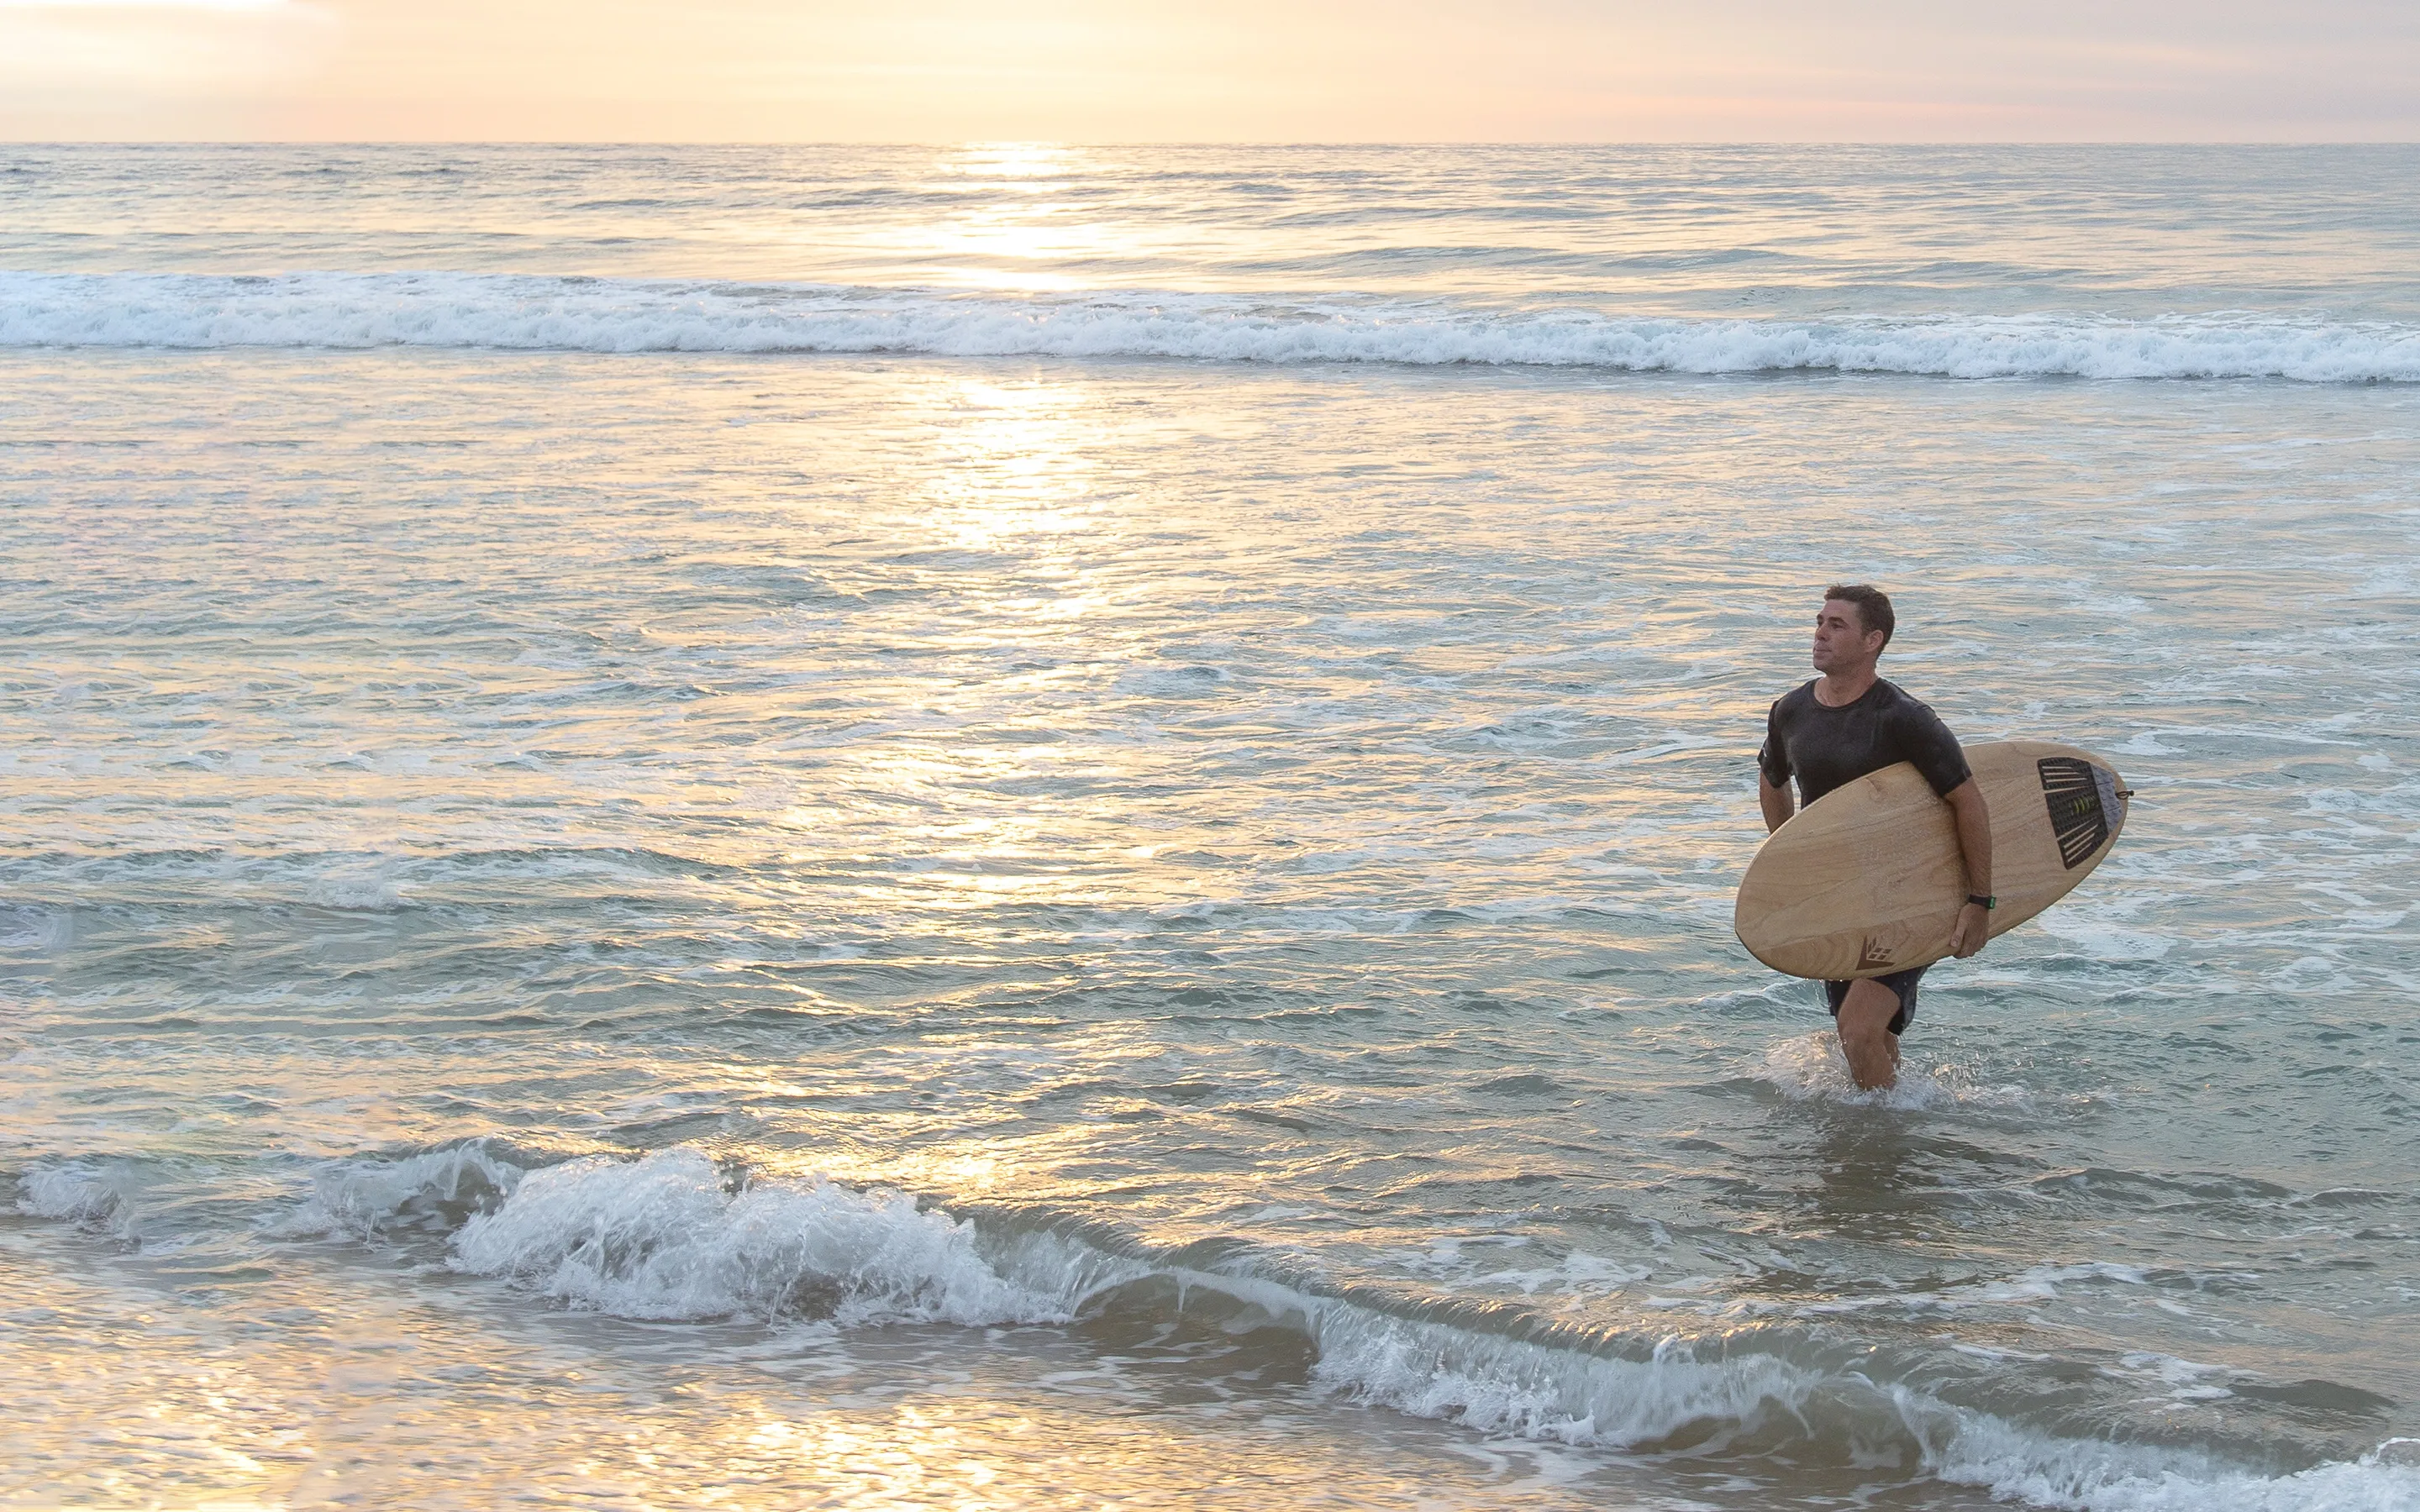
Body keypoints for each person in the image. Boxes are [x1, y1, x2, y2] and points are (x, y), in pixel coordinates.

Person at [1756, 585, 1993, 1091]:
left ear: (1873, 641)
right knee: (1869, 1035)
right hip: (1842, 894)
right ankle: (1901, 1132)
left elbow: (1968, 800)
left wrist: (1978, 901)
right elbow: (1772, 777)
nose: (1820, 632)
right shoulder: (1790, 711)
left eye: (1837, 625)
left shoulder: (1905, 718)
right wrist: (1788, 856)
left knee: (1858, 1029)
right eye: (1820, 621)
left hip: (1910, 892)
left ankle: (1878, 1145)